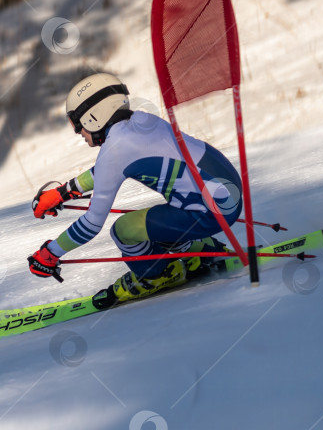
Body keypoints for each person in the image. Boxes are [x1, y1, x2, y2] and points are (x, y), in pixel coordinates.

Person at [27, 73, 243, 307]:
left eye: (77, 124)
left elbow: (92, 223)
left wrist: (50, 253)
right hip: (228, 194)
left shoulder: (115, 150)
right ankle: (198, 252)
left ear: (93, 118)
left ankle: (157, 275)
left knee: (124, 230)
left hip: (209, 213)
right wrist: (64, 192)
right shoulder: (141, 121)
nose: (78, 132)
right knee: (155, 224)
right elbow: (106, 168)